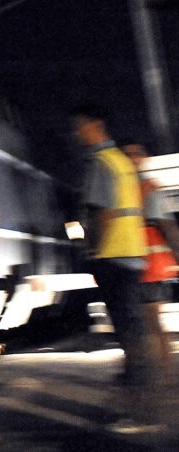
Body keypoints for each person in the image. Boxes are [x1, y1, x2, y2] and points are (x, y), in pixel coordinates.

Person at [70, 106, 152, 396]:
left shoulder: (100, 162)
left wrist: (93, 249)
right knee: (130, 316)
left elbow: (101, 212)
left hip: (112, 254)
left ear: (97, 125)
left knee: (123, 318)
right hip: (132, 251)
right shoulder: (121, 161)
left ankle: (139, 375)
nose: (77, 133)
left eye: (80, 126)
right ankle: (138, 371)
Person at [119, 140, 179, 383]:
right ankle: (162, 374)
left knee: (152, 323)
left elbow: (167, 226)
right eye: (128, 154)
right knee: (148, 324)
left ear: (144, 158)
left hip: (149, 266)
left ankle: (164, 375)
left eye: (137, 153)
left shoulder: (147, 188)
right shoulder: (127, 187)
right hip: (135, 264)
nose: (133, 158)